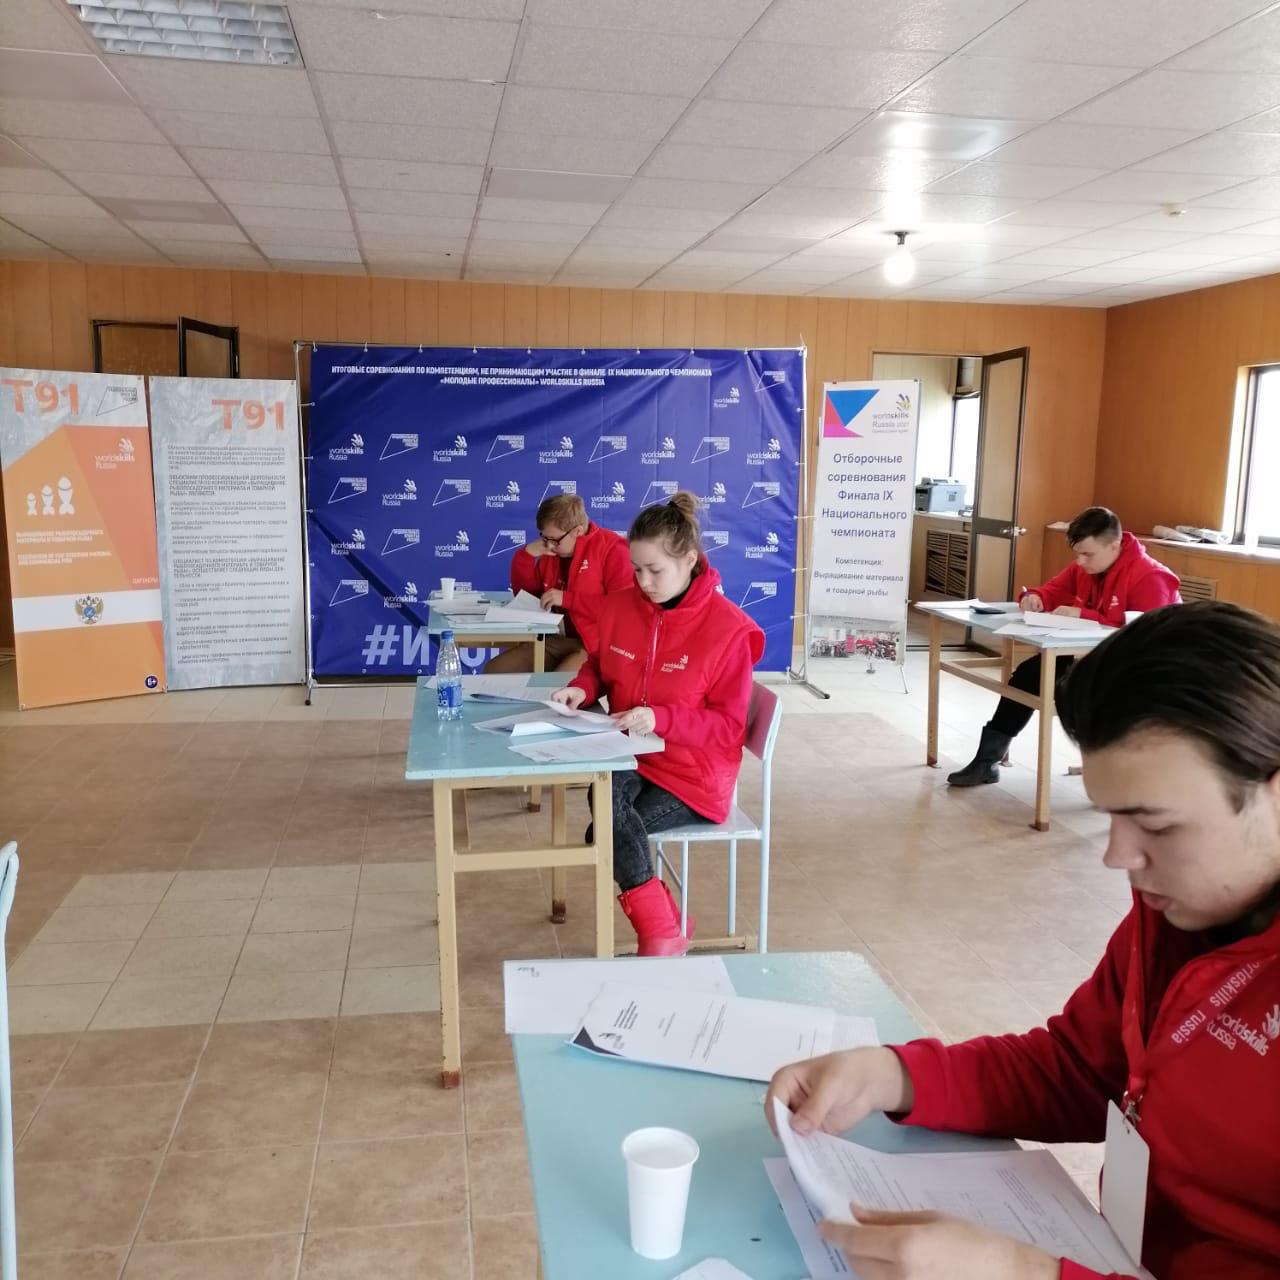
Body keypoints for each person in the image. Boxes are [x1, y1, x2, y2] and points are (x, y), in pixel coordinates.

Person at [767, 601, 1280, 1280]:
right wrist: (897, 1076)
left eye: (1157, 826)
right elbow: (1081, 1070)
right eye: (1110, 817)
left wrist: (1029, 1274)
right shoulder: (1182, 913)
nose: (1117, 856)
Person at [551, 492, 764, 956]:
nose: (644, 582)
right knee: (604, 799)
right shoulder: (621, 607)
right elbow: (600, 666)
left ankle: (660, 930)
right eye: (636, 570)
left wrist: (660, 718)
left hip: (694, 776)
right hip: (633, 756)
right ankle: (666, 927)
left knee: (604, 833)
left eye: (655, 570)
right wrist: (581, 689)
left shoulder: (727, 629)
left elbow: (728, 728)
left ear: (689, 560)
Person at [948, 507, 1180, 787]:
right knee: (1027, 676)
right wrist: (1034, 598)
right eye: (1077, 554)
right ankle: (987, 762)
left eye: (1088, 554)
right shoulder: (1087, 567)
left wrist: (1084, 615)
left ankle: (1115, 766)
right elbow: (1052, 589)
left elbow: (1147, 634)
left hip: (1138, 669)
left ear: (1114, 545)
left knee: (1079, 694)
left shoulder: (1150, 576)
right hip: (1089, 655)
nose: (1080, 562)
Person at [486, 492, 633, 674]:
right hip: (554, 639)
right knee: (496, 671)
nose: (549, 546)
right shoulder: (551, 553)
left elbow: (622, 610)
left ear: (578, 531)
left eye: (555, 540)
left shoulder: (613, 549)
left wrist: (567, 599)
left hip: (596, 645)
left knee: (559, 684)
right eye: (544, 538)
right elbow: (530, 599)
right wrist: (525, 557)